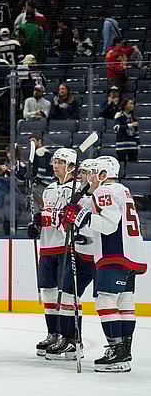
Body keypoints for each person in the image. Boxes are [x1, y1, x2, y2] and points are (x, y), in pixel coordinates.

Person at [62, 156, 146, 372]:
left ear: (103, 175)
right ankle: (124, 352)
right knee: (125, 301)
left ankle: (116, 351)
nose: (89, 178)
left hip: (114, 254)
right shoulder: (122, 190)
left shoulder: (104, 191)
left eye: (93, 173)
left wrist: (82, 217)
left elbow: (109, 225)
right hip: (132, 253)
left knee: (105, 300)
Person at [25, 148, 93, 358]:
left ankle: (72, 338)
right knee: (50, 293)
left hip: (67, 246)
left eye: (60, 162)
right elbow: (47, 215)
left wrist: (55, 221)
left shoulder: (79, 191)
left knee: (68, 296)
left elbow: (78, 220)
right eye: (54, 162)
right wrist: (36, 225)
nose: (54, 166)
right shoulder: (49, 189)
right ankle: (54, 333)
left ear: (72, 166)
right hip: (47, 247)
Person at [0, 162, 23, 235]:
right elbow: (19, 196)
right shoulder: (11, 181)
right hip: (14, 212)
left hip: (4, 213)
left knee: (5, 235)